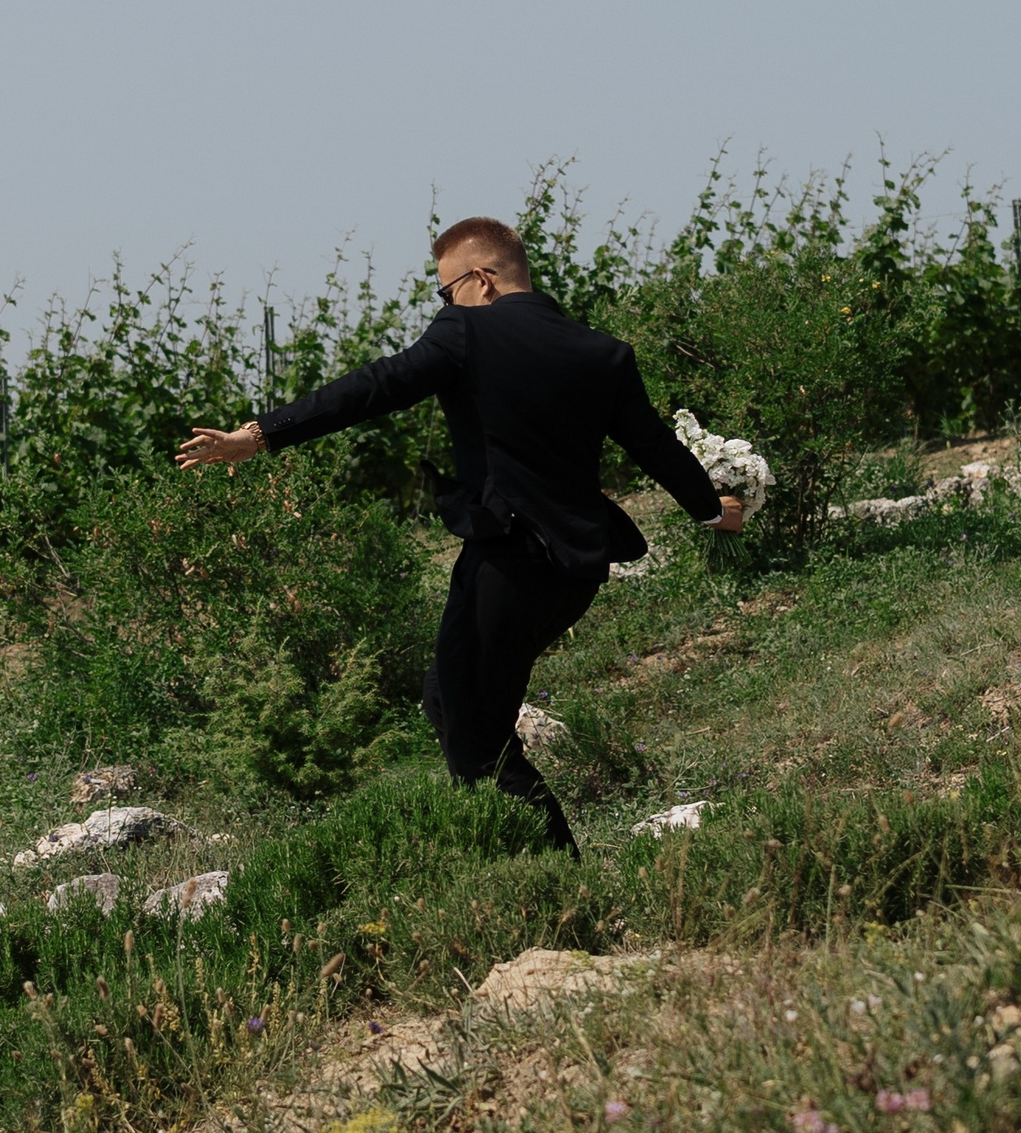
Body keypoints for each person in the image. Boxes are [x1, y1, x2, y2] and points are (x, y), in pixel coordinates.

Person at [174, 215, 742, 851]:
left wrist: (258, 436)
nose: (443, 304)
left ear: (480, 279)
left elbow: (377, 385)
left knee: (473, 734)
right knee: (452, 701)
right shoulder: (603, 352)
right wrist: (713, 510)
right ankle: (536, 868)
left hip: (508, 560)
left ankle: (554, 878)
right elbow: (655, 447)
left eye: (444, 291)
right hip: (575, 572)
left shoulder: (466, 327)